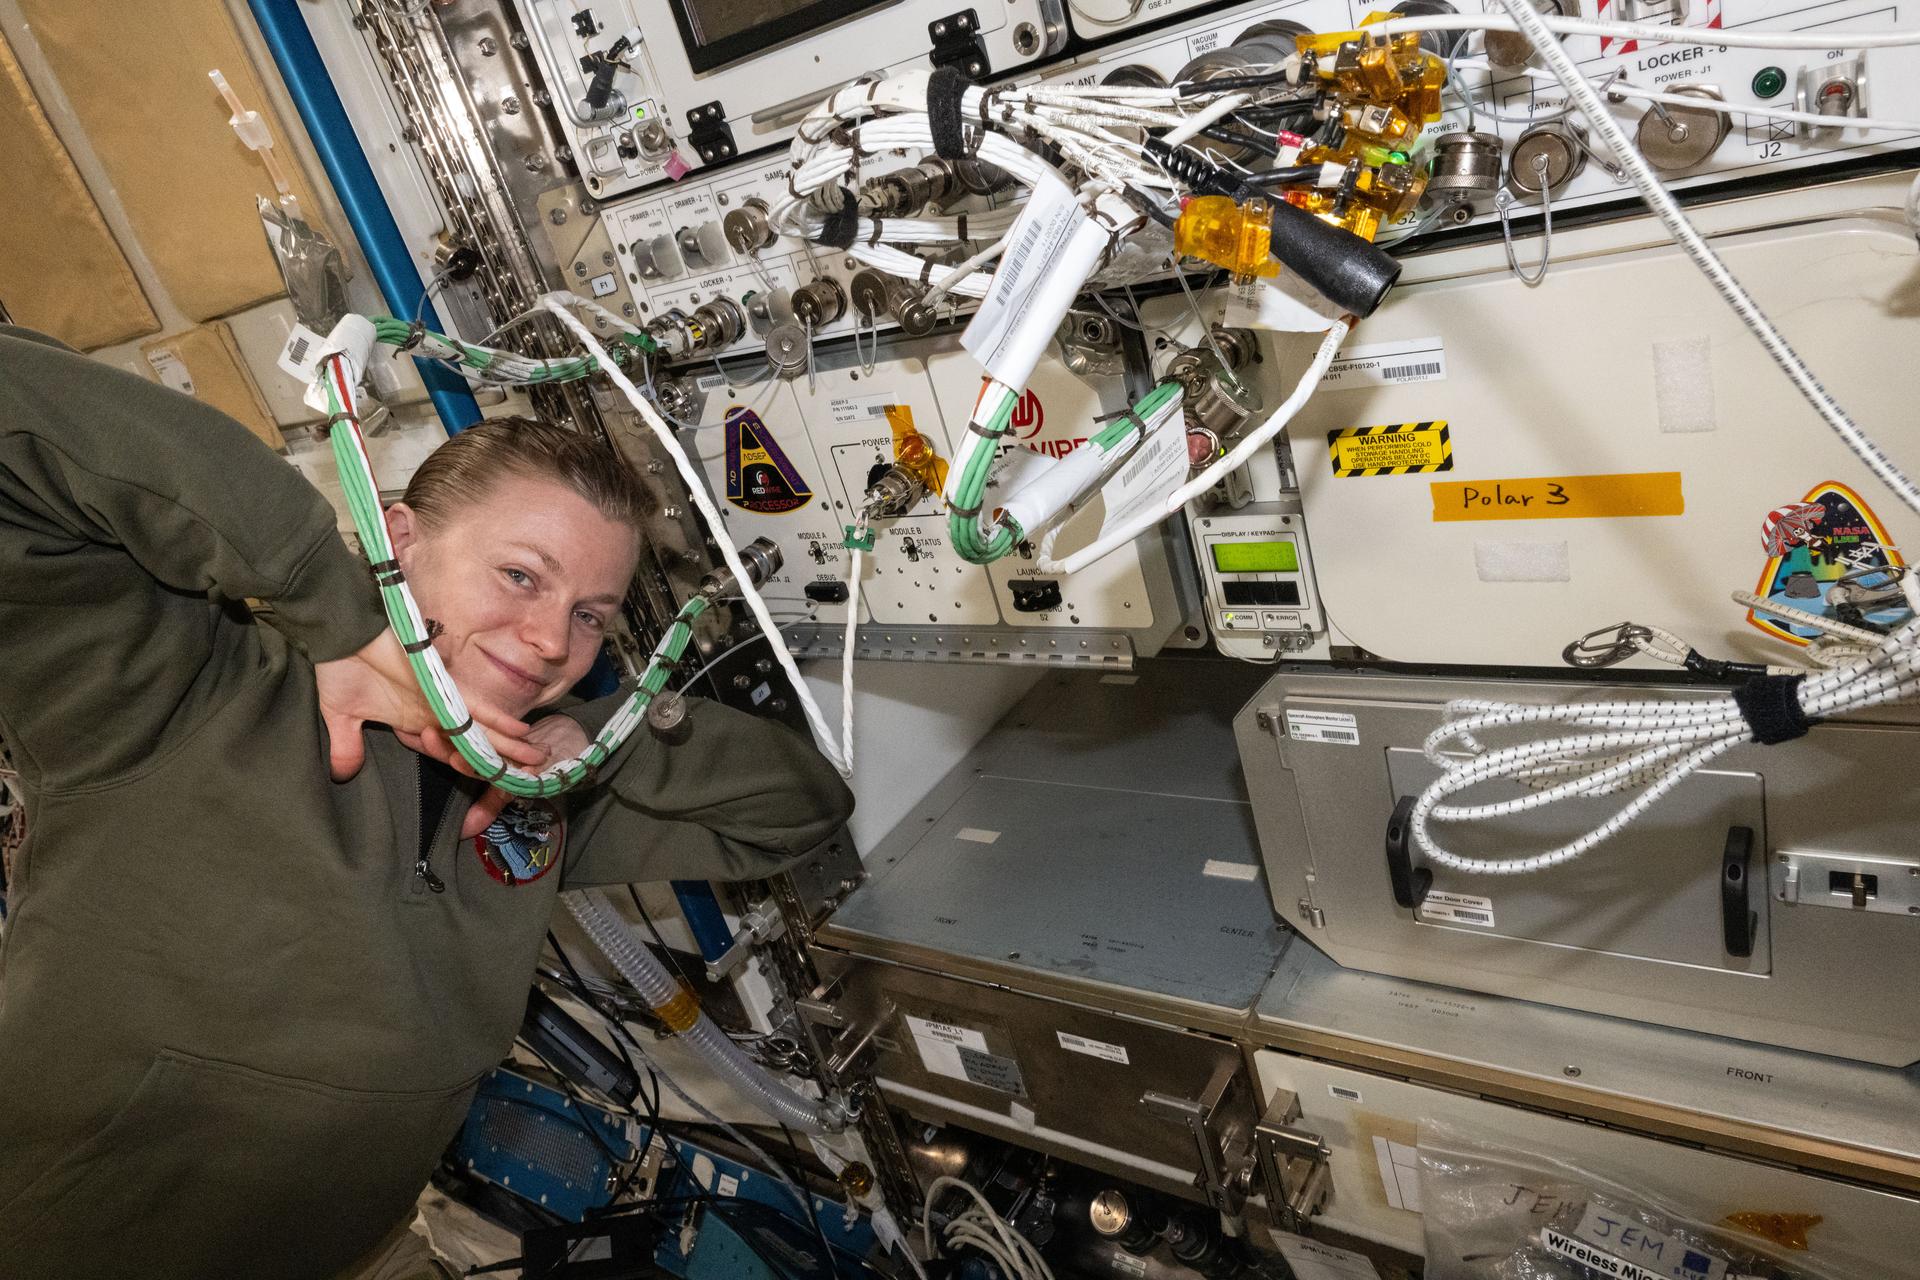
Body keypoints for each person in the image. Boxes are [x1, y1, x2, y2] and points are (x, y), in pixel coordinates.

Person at [0, 324, 855, 1279]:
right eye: (520, 575)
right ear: (400, 539)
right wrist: (338, 614)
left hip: (351, 1250)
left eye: (590, 616)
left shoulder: (536, 792)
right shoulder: (182, 686)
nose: (546, 641)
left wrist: (607, 740)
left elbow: (802, 812)